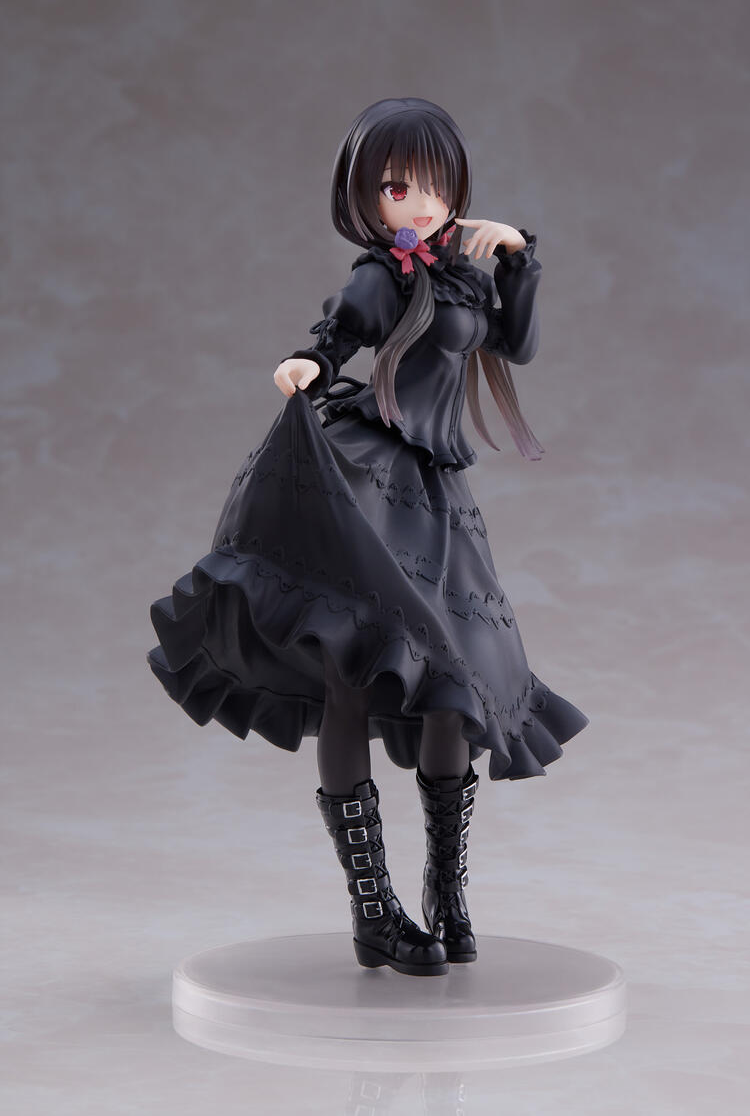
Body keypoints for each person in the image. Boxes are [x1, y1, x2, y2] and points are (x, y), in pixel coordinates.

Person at [148, 97, 590, 978]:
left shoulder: (464, 275)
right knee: (351, 673)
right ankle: (374, 909)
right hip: (369, 482)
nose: (417, 201)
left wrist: (517, 257)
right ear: (367, 196)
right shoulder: (379, 276)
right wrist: (306, 364)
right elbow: (336, 338)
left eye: (432, 183)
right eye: (396, 187)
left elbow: (518, 344)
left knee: (452, 686)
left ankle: (447, 892)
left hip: (437, 496)